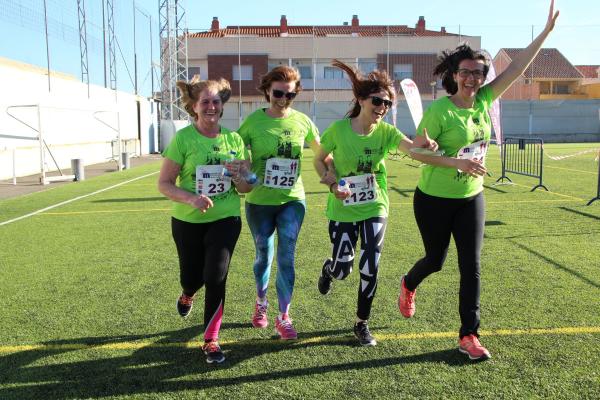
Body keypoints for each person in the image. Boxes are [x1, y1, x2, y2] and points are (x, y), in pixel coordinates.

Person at [397, 1, 559, 360]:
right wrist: (451, 158)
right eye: (466, 72)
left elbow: (516, 68)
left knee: (471, 265)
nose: (473, 78)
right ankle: (409, 283)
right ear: (454, 74)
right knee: (436, 260)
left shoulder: (485, 99)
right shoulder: (440, 110)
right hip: (434, 198)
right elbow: (416, 153)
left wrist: (544, 34)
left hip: (472, 197)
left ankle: (469, 335)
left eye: (479, 73)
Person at [313, 59, 437, 346]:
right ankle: (329, 269)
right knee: (344, 269)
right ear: (361, 99)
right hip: (342, 207)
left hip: (375, 206)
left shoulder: (387, 132)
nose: (382, 107)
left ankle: (361, 323)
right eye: (377, 101)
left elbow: (411, 148)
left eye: (388, 103)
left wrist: (426, 146)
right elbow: (319, 159)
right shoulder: (339, 130)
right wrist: (332, 184)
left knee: (370, 267)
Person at [158, 76, 252, 364]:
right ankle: (187, 294)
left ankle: (211, 339)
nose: (211, 107)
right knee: (192, 277)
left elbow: (248, 186)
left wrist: (241, 175)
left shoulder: (234, 139)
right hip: (187, 221)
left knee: (216, 276)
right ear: (195, 108)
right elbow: (164, 183)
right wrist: (191, 199)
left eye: (216, 102)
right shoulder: (184, 139)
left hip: (226, 218)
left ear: (221, 106)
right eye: (205, 102)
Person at [238, 65, 326, 340]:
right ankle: (261, 302)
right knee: (264, 255)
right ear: (267, 90)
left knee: (287, 257)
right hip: (259, 201)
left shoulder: (302, 121)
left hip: (292, 200)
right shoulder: (252, 122)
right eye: (278, 93)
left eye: (290, 95)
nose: (284, 99)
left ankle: (284, 316)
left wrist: (332, 171)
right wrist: (245, 170)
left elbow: (321, 153)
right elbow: (240, 156)